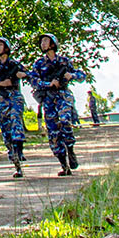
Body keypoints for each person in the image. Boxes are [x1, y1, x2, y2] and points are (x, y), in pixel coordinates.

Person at [27, 32, 91, 175]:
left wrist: (71, 75)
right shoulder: (39, 64)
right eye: (42, 41)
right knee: (53, 133)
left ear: (53, 44)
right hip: (48, 98)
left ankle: (71, 150)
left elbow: (81, 75)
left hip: (63, 95)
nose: (43, 43)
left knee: (65, 120)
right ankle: (64, 165)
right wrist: (48, 83)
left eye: (46, 40)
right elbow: (33, 80)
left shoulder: (64, 61)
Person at [0, 37, 29, 178]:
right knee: (6, 131)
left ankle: (19, 149)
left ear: (6, 47)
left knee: (15, 120)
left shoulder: (15, 64)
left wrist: (23, 74)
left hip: (14, 97)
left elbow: (30, 75)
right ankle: (16, 163)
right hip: (1, 100)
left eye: (0, 45)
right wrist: (0, 84)